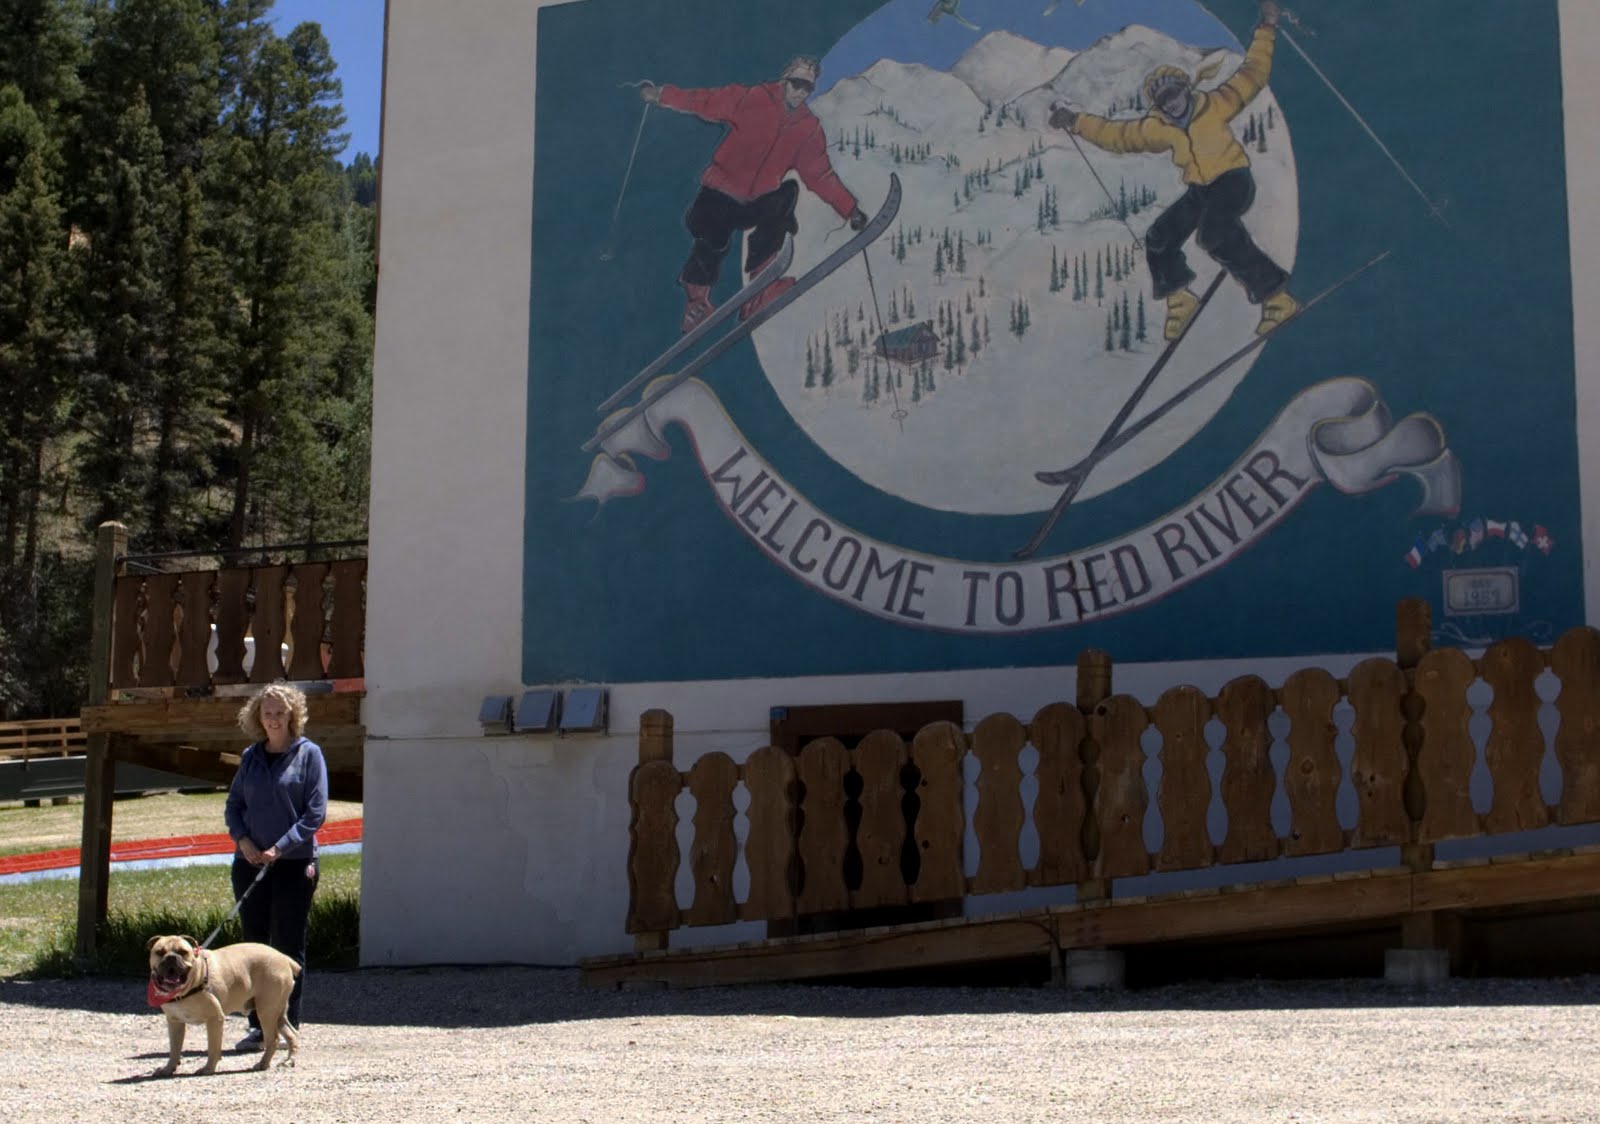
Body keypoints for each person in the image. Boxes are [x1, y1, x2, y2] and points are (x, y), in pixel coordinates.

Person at [1049, 0, 1298, 339]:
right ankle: (1180, 300)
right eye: (1163, 101)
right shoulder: (1158, 128)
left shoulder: (1217, 103)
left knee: (1215, 234)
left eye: (1174, 94)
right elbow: (1117, 135)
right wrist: (1076, 121)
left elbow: (1253, 73)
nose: (1171, 104)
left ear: (1185, 89)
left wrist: (1267, 28)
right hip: (1200, 189)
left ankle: (1276, 298)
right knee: (1159, 238)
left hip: (1232, 179)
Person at [641, 55, 868, 334]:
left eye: (807, 87)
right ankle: (696, 302)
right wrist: (662, 95)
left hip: (757, 201)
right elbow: (703, 100)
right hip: (721, 192)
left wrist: (850, 210)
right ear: (784, 80)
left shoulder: (807, 128)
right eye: (796, 83)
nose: (800, 92)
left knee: (786, 195)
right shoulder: (752, 99)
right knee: (713, 236)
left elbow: (820, 175)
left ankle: (760, 290)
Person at [224, 681, 328, 1051]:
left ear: (292, 715)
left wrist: (279, 848)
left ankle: (286, 1024)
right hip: (250, 863)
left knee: (286, 946)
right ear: (257, 716)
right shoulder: (251, 757)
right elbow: (233, 806)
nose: (273, 719)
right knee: (253, 948)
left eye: (279, 713)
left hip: (293, 864)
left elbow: (315, 813)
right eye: (267, 713)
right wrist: (244, 841)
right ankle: (257, 1026)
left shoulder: (309, 755)